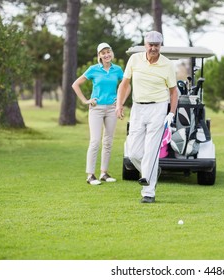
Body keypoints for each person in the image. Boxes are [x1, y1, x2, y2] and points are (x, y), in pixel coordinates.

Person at [116, 31, 178, 203]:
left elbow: (174, 92)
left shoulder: (167, 64)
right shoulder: (135, 59)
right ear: (145, 45)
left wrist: (171, 113)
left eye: (156, 45)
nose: (153, 48)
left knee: (151, 150)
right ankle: (151, 171)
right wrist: (119, 104)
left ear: (160, 46)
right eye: (150, 45)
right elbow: (125, 84)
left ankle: (148, 193)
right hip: (138, 107)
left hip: (158, 108)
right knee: (134, 152)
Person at [72, 42, 125, 185]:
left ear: (111, 53)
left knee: (108, 141)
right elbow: (75, 84)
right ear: (99, 56)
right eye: (103, 53)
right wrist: (85, 101)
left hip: (111, 109)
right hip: (96, 108)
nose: (106, 55)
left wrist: (120, 102)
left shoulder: (118, 70)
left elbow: (127, 85)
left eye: (108, 52)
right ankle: (90, 175)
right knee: (95, 141)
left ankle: (104, 173)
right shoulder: (93, 69)